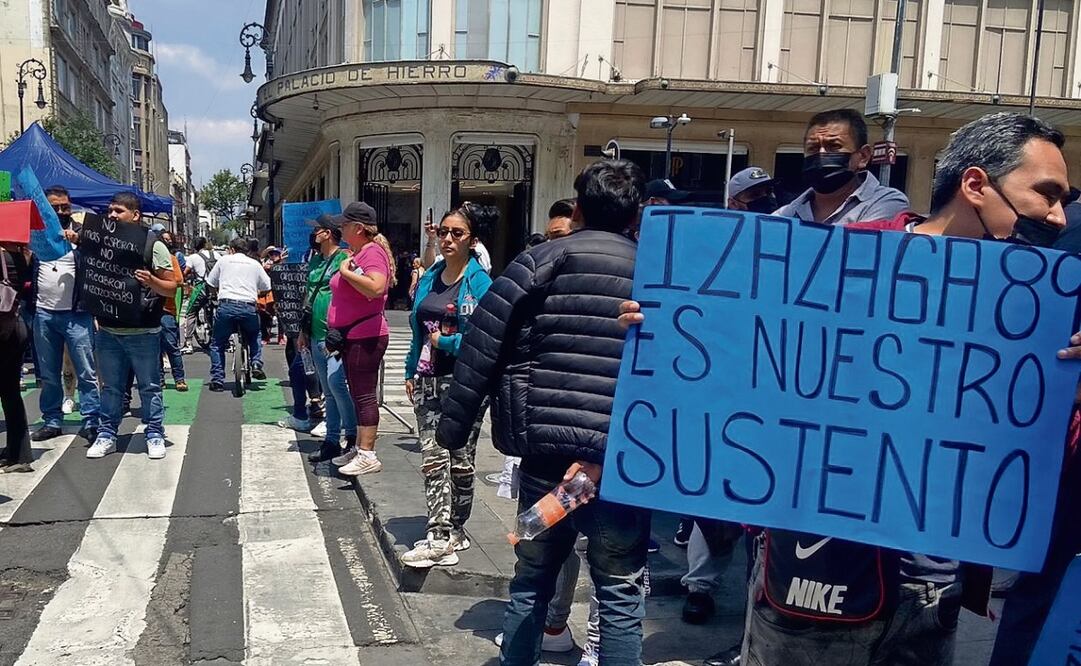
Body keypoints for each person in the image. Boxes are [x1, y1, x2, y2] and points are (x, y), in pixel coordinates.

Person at [618, 112, 1076, 666]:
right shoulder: (843, 256)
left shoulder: (1039, 309)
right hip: (815, 576)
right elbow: (742, 355)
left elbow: (1037, 447)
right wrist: (665, 325)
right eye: (1046, 194)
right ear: (977, 185)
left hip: (932, 592)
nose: (1058, 216)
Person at [437, 160, 652, 665]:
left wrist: (454, 427)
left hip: (545, 455)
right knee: (620, 593)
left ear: (576, 208)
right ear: (637, 214)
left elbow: (481, 346)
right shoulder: (656, 274)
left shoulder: (538, 261)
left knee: (531, 583)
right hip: (620, 460)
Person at [400, 203, 494, 568]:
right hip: (427, 379)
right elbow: (416, 328)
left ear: (473, 240)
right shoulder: (430, 277)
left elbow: (484, 339)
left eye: (457, 233)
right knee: (433, 457)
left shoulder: (481, 284)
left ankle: (457, 527)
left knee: (461, 462)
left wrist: (448, 344)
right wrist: (410, 370)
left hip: (466, 383)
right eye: (443, 232)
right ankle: (439, 536)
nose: (448, 239)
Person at [89, 192, 177, 460]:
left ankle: (154, 434)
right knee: (111, 388)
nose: (112, 215)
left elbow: (172, 287)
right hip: (108, 330)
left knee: (149, 386)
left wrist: (151, 281)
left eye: (119, 211)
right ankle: (107, 435)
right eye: (110, 211)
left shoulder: (153, 244)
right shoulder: (101, 241)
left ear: (135, 215)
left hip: (143, 332)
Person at [29, 185, 100, 444]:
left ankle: (92, 420)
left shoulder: (82, 232)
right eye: (55, 207)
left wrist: (79, 241)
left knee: (86, 372)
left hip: (76, 314)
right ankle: (52, 421)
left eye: (64, 206)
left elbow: (98, 255)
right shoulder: (35, 235)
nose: (60, 211)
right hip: (44, 314)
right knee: (48, 374)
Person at [327, 202, 393, 476]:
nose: (340, 228)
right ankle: (359, 447)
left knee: (364, 396)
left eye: (344, 224)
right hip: (354, 335)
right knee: (357, 393)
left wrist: (346, 272)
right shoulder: (360, 252)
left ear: (358, 228)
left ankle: (367, 453)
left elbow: (378, 286)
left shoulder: (371, 253)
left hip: (366, 335)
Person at [773, 108, 910, 225]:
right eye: (813, 148)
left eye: (834, 147)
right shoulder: (785, 214)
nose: (821, 154)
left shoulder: (886, 203)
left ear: (863, 156)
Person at [300, 214, 359, 463]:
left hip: (335, 336)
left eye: (317, 230)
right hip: (315, 334)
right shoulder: (315, 261)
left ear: (327, 233)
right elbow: (308, 296)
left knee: (337, 385)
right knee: (328, 390)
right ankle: (332, 440)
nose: (313, 235)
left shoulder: (345, 259)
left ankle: (353, 436)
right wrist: (303, 332)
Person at [205, 236, 270, 392]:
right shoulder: (254, 264)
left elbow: (210, 283)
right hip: (248, 307)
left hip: (226, 306)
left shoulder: (223, 261)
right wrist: (256, 292)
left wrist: (215, 294)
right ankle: (256, 363)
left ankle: (218, 380)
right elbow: (267, 285)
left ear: (231, 249)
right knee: (255, 335)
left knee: (217, 343)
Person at [0, 243, 33, 472]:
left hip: (3, 331)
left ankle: (17, 455)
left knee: (9, 392)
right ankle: (19, 455)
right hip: (15, 326)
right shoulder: (19, 255)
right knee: (10, 392)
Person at [157, 230, 187, 392]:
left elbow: (179, 280)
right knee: (154, 348)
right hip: (149, 310)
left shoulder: (172, 259)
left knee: (171, 345)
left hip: (167, 308)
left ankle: (179, 378)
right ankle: (160, 378)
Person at [179, 236, 219, 353]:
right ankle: (226, 341)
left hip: (201, 288)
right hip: (215, 288)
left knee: (191, 312)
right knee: (217, 311)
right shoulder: (216, 255)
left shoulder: (193, 257)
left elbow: (185, 272)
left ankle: (189, 343)